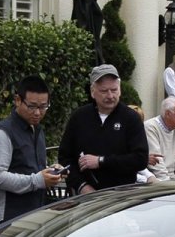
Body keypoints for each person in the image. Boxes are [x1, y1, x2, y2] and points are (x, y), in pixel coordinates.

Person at [58, 64, 148, 194]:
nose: (110, 96)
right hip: (85, 197)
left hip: (122, 195)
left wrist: (101, 161)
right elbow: (65, 157)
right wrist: (81, 186)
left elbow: (140, 159)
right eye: (104, 91)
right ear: (92, 92)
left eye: (114, 90)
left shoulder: (131, 118)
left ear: (120, 90)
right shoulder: (79, 117)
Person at [0, 76, 63, 226]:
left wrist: (51, 172)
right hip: (8, 221)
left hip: (36, 216)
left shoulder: (37, 130)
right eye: (32, 106)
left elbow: (34, 170)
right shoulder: (3, 133)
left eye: (43, 107)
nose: (37, 113)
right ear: (17, 100)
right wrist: (37, 180)